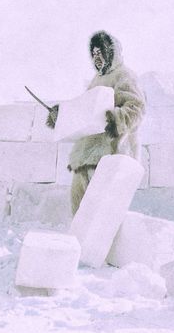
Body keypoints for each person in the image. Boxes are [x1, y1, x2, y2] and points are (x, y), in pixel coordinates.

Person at [46, 31, 145, 214]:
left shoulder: (124, 75)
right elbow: (86, 112)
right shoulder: (96, 80)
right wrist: (61, 115)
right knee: (80, 211)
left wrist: (116, 119)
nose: (96, 58)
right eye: (93, 54)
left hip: (111, 152)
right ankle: (79, 242)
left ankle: (105, 243)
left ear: (111, 53)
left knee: (101, 214)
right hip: (86, 155)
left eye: (101, 53)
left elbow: (137, 107)